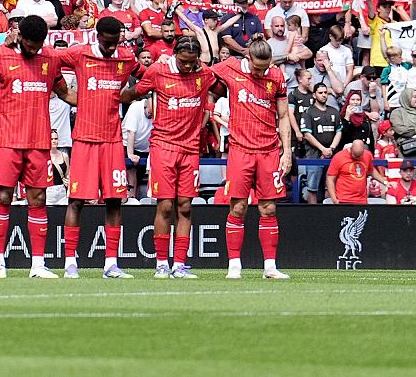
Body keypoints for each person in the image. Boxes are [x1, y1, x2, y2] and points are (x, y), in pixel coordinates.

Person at [0, 15, 75, 278]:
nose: (34, 49)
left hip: (38, 141)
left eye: (38, 44)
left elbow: (64, 92)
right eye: (30, 44)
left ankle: (38, 265)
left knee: (38, 199)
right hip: (7, 140)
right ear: (20, 37)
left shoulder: (50, 58)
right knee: (4, 197)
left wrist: (95, 99)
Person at [121, 35, 215, 278]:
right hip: (163, 146)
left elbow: (226, 83)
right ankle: (161, 263)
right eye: (183, 61)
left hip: (190, 148)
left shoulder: (204, 74)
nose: (187, 66)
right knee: (164, 206)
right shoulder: (158, 71)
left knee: (185, 206)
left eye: (192, 62)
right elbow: (136, 91)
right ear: (175, 55)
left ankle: (179, 264)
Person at [51, 16, 137, 278]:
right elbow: (52, 62)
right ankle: (70, 263)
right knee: (76, 201)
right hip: (85, 139)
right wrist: (66, 93)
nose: (111, 48)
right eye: (107, 43)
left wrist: (127, 95)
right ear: (97, 36)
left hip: (112, 140)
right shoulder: (80, 54)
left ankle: (111, 263)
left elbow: (144, 80)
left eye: (115, 43)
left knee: (114, 201)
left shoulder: (125, 57)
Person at [211, 39, 292, 279]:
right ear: (248, 60)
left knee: (268, 208)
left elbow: (284, 115)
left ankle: (270, 267)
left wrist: (286, 151)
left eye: (264, 68)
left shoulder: (276, 76)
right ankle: (234, 265)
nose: (260, 72)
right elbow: (202, 71)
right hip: (240, 149)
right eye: (257, 68)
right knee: (238, 207)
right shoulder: (231, 67)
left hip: (268, 150)